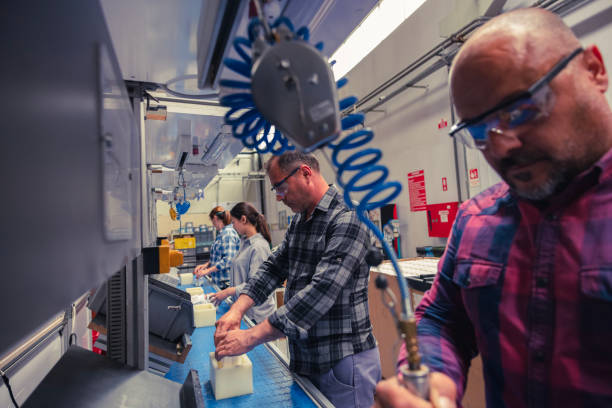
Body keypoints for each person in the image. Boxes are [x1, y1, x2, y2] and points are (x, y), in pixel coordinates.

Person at [374, 7, 612, 408]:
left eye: (522, 109)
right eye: (480, 132)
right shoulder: (475, 221)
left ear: (593, 69)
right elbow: (442, 317)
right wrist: (435, 378)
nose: (501, 146)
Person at [213, 152, 381, 408]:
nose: (279, 197)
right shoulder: (301, 220)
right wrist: (237, 310)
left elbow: (321, 292)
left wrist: (250, 337)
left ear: (305, 173)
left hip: (342, 360)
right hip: (306, 357)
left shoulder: (349, 216)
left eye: (280, 187)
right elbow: (273, 267)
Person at [208, 202, 276, 324]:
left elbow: (255, 285)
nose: (233, 227)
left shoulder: (259, 247)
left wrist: (228, 292)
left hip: (256, 315)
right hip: (243, 310)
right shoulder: (244, 242)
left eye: (234, 222)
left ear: (243, 219)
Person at [194, 206, 240, 288]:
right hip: (219, 282)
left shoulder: (228, 233)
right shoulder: (222, 234)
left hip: (226, 283)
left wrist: (207, 271)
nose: (213, 224)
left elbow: (228, 260)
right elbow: (219, 256)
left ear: (215, 218)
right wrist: (206, 265)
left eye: (212, 221)